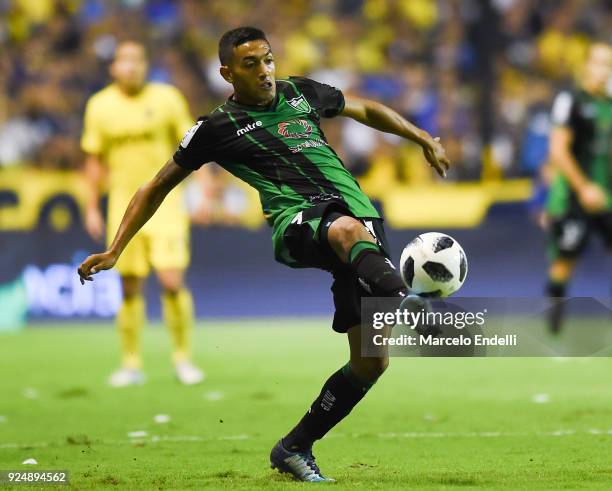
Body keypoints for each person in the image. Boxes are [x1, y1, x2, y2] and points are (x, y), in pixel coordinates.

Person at [78, 27, 449, 481]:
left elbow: (366, 108)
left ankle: (293, 448)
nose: (264, 71)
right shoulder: (216, 127)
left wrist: (421, 136)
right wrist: (116, 249)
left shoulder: (301, 92)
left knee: (371, 361)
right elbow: (155, 186)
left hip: (362, 231)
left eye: (268, 60)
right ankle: (410, 303)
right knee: (346, 231)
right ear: (227, 73)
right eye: (250, 64)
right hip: (297, 222)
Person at [81, 40, 204, 386]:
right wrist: (91, 206)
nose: (132, 66)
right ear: (113, 67)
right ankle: (131, 363)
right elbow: (94, 160)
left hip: (165, 202)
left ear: (146, 64)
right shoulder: (100, 106)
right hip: (122, 205)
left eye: (138, 60)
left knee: (171, 279)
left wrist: (206, 189)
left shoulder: (166, 99)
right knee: (129, 286)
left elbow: (194, 142)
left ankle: (183, 359)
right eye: (125, 60)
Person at [545, 42, 612, 333]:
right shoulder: (570, 99)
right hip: (575, 197)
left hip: (607, 196)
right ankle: (554, 329)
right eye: (599, 62)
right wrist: (584, 188)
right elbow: (558, 150)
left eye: (609, 64)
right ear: (585, 65)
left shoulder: (609, 103)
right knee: (564, 261)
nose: (604, 70)